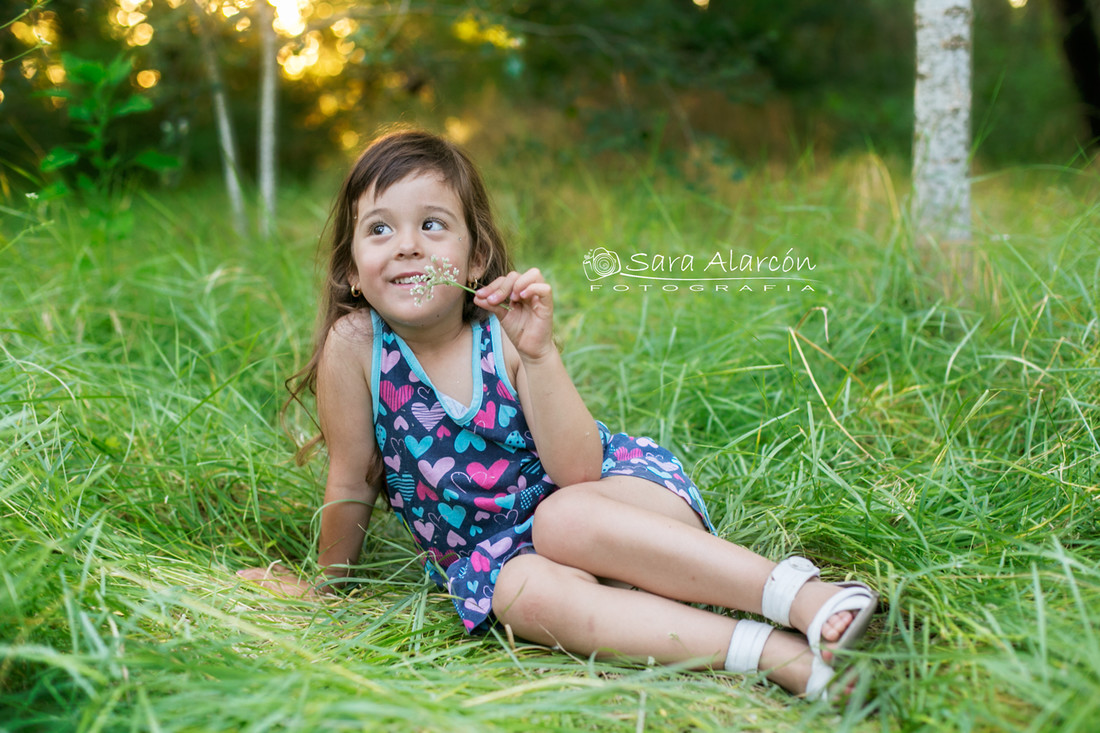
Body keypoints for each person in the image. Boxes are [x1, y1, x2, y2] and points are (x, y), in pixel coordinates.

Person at [239, 128, 877, 699]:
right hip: (506, 557)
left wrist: (539, 354)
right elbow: (351, 480)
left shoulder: (505, 335)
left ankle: (804, 597)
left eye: (432, 225)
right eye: (380, 229)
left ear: (476, 257)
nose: (406, 246)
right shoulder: (357, 348)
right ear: (352, 269)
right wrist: (326, 593)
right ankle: (772, 655)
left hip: (617, 501)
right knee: (521, 598)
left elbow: (577, 471)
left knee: (561, 517)